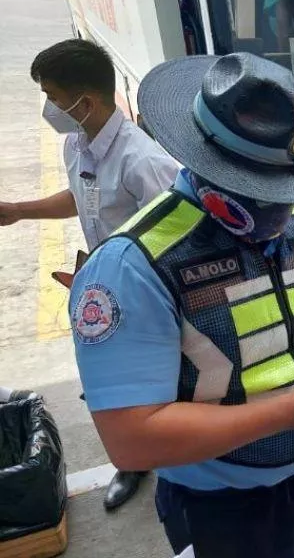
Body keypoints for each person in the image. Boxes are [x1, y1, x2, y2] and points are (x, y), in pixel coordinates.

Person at [68, 51, 294, 558]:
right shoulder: (132, 267)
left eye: (286, 191)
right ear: (207, 165)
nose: (280, 211)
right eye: (259, 191)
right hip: (218, 504)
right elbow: (133, 439)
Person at [0, 39, 180, 511]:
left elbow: (175, 242)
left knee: (145, 384)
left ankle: (165, 461)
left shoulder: (143, 161)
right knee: (107, 383)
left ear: (87, 101)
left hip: (144, 297)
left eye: (54, 97)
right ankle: (134, 460)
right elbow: (81, 197)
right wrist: (19, 211)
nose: (50, 108)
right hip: (100, 285)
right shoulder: (79, 142)